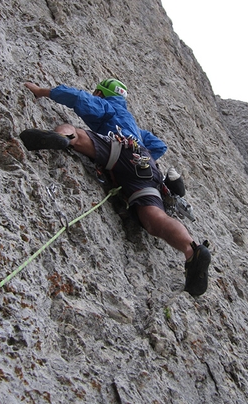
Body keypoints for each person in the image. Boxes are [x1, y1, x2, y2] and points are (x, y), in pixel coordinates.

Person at [20, 78, 211, 296]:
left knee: (75, 131)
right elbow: (159, 145)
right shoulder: (135, 127)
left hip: (117, 148)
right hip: (146, 165)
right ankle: (191, 249)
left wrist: (40, 91)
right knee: (153, 218)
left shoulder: (108, 107)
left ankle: (62, 137)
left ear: (101, 94)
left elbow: (78, 98)